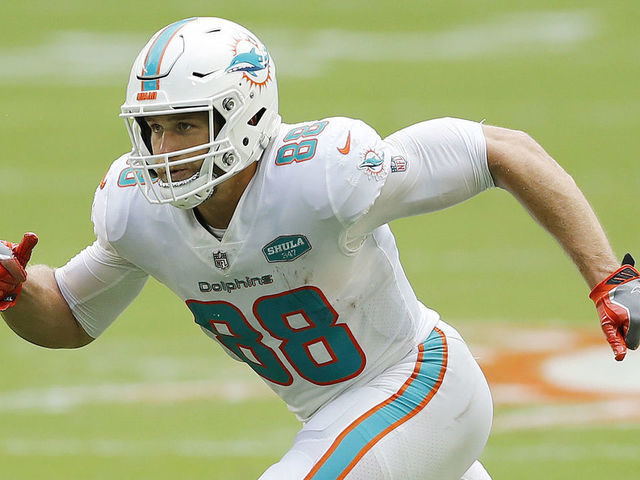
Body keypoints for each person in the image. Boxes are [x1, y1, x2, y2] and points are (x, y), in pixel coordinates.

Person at [1, 17, 638, 480]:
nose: (165, 149)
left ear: (244, 115)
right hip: (348, 423)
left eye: (186, 123)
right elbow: (69, 314)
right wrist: (12, 289)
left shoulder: (324, 173)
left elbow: (502, 151)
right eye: (154, 127)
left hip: (418, 386)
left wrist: (610, 278)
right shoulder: (134, 206)